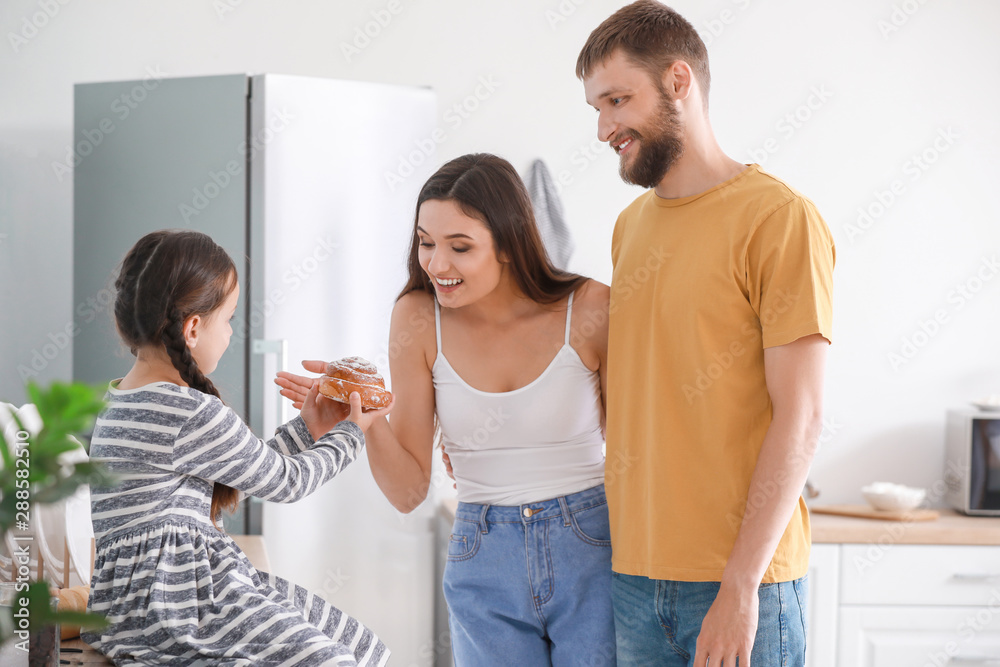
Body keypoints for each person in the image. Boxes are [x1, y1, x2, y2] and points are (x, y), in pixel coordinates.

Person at [277, 153, 616, 666]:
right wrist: (367, 423)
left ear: (509, 244)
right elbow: (410, 493)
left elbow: (639, 448)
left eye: (460, 247)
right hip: (483, 551)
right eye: (425, 242)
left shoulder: (590, 308)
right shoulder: (417, 317)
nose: (436, 264)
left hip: (593, 544)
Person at [576, 2, 835, 665]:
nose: (605, 127)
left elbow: (801, 416)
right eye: (596, 109)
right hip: (635, 574)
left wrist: (742, 584)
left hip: (742, 581)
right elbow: (631, 390)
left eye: (617, 100)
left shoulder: (778, 219)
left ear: (678, 81)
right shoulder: (629, 227)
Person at [83, 229, 392, 666]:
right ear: (193, 328)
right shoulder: (188, 410)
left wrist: (308, 429)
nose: (230, 333)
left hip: (131, 610)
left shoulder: (120, 401)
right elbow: (287, 482)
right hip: (183, 605)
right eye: (228, 318)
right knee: (336, 655)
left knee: (338, 640)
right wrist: (351, 434)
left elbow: (244, 469)